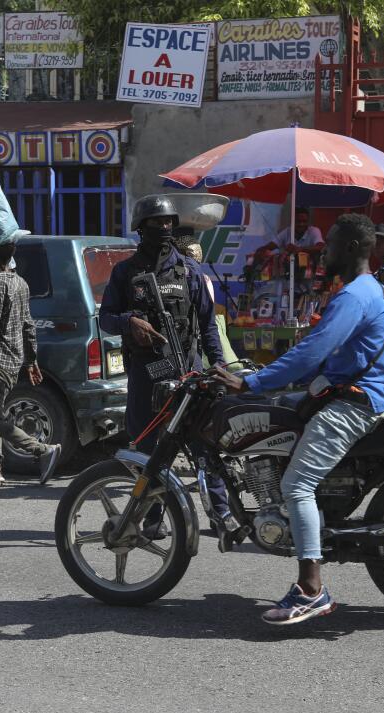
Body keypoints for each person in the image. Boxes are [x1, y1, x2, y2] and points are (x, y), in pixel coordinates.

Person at [214, 214, 384, 625]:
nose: (323, 251)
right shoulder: (380, 293)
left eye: (330, 244)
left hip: (352, 403)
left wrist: (252, 382)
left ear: (351, 248)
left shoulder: (353, 296)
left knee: (296, 485)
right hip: (364, 394)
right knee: (283, 409)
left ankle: (311, 589)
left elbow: (313, 352)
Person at [99, 195, 235, 544]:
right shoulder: (125, 273)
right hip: (148, 375)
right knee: (148, 451)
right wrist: (130, 322)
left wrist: (217, 367)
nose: (164, 229)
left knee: (204, 446)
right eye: (157, 224)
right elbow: (106, 319)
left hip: (188, 374)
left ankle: (222, 517)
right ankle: (152, 520)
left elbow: (207, 327)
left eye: (169, 223)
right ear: (141, 229)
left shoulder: (190, 272)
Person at [0, 242, 62, 483]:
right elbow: (29, 326)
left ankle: (39, 451)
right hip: (12, 361)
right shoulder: (21, 283)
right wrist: (30, 361)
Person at [255, 207, 325, 258]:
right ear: (293, 221)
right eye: (298, 221)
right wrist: (263, 251)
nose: (301, 224)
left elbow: (321, 247)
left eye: (304, 221)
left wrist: (300, 249)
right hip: (289, 271)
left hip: (310, 270)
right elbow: (270, 246)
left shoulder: (314, 230)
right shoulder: (287, 231)